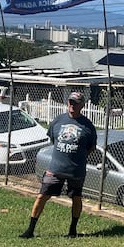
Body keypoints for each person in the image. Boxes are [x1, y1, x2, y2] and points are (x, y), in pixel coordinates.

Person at [19, 91, 97, 238]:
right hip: (55, 168)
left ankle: (72, 230)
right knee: (42, 196)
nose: (72, 105)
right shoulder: (58, 121)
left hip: (76, 171)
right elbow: (54, 140)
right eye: (70, 102)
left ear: (82, 105)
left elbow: (91, 148)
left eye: (75, 103)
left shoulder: (88, 126)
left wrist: (77, 156)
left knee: (76, 198)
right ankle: (30, 230)